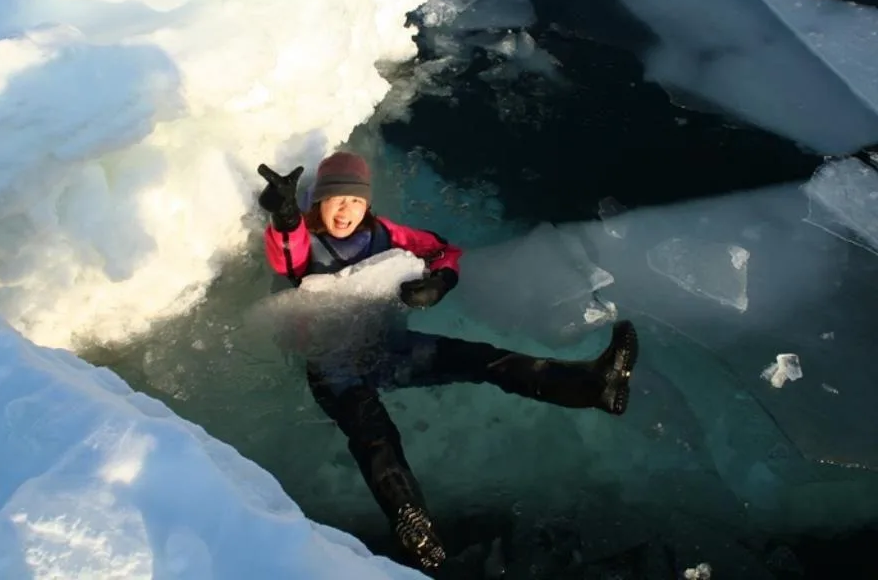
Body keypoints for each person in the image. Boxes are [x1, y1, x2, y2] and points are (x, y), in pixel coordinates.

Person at [257, 151, 638, 574]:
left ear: (368, 204)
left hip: (390, 350)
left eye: (356, 200)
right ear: (319, 201)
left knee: (483, 359)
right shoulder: (305, 240)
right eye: (336, 200)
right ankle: (412, 522)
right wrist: (286, 216)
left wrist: (440, 282)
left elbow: (443, 250)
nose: (347, 210)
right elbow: (287, 259)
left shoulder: (385, 232)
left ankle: (590, 386)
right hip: (335, 370)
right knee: (375, 436)